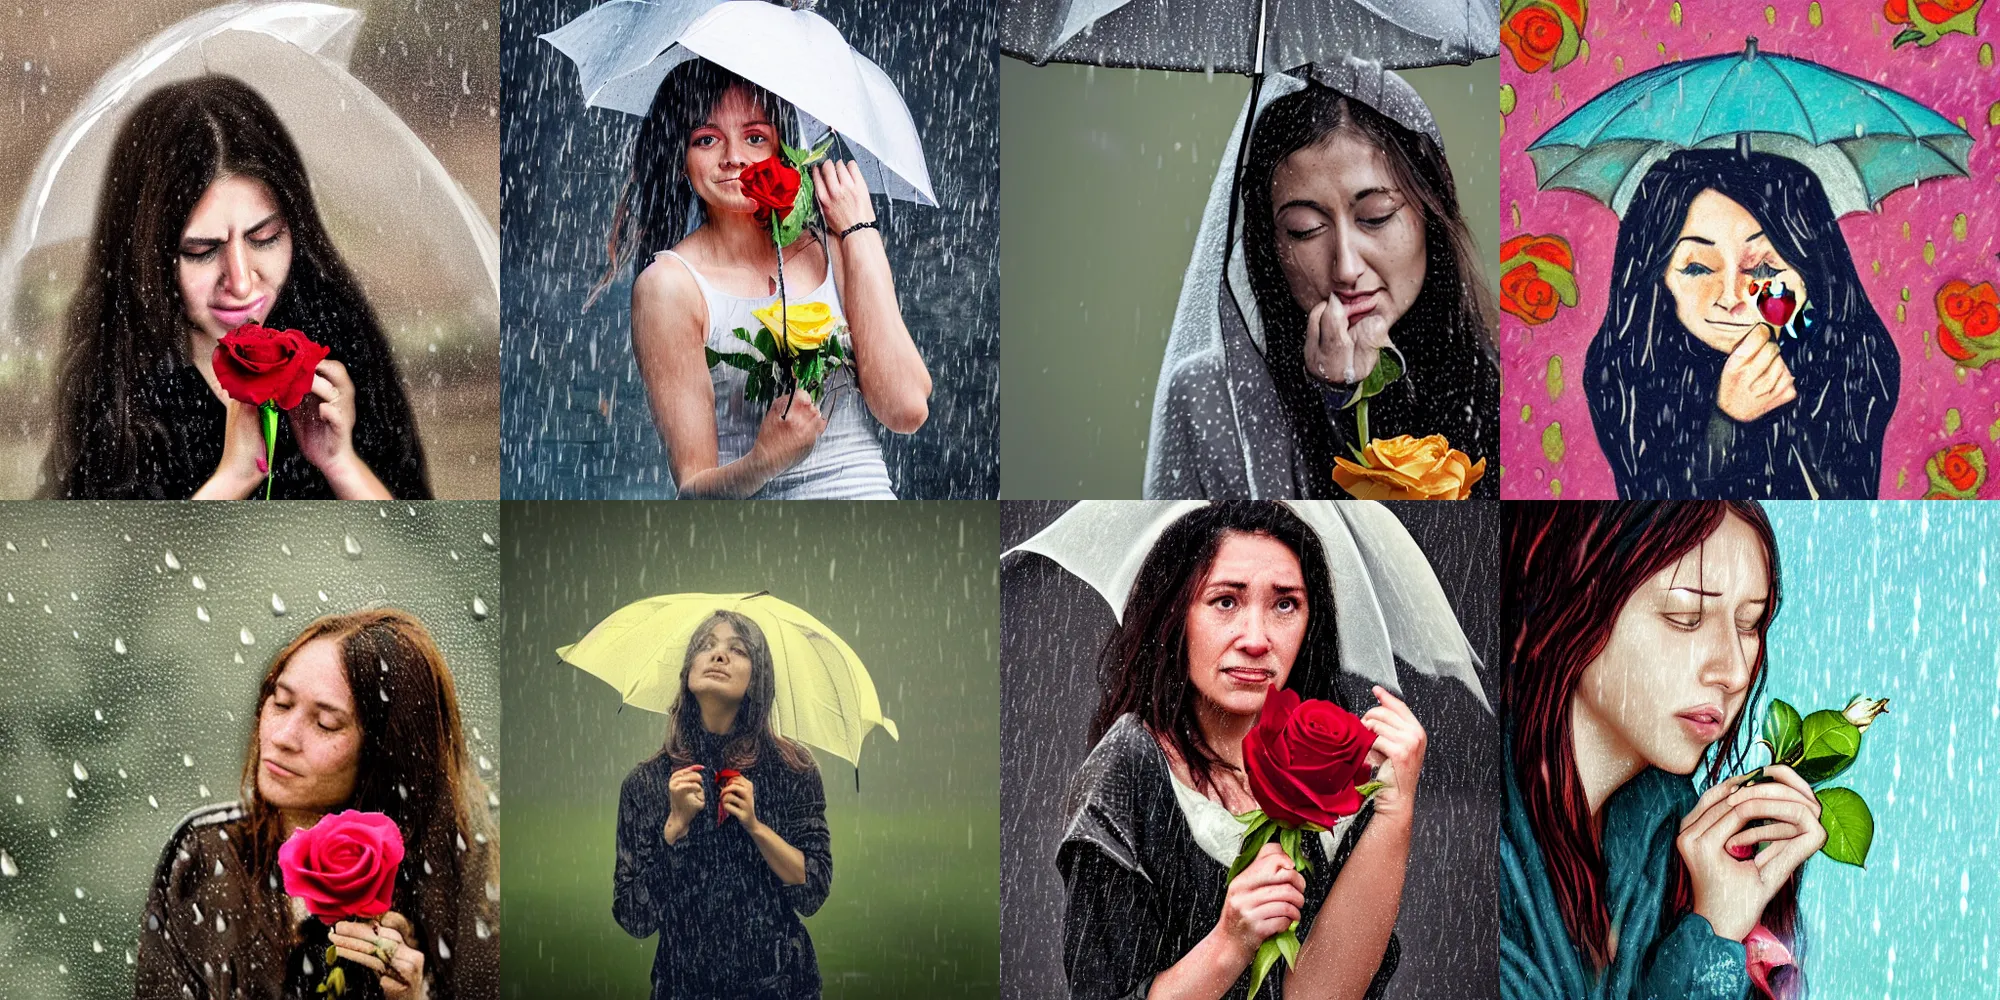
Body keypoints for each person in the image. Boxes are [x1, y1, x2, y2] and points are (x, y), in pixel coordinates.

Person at [1060, 502, 1422, 999]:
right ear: (1176, 614)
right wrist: (1230, 942)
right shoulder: (1130, 765)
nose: (1256, 640)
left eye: (1285, 604)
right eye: (1225, 601)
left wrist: (1393, 813)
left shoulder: (1336, 766)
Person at [43, 76, 432, 500]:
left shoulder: (334, 330)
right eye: (201, 250)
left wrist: (343, 465)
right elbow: (120, 565)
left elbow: (417, 552)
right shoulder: (116, 382)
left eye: (264, 238)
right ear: (149, 256)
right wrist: (232, 480)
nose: (243, 282)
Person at [1500, 501, 1821, 1000]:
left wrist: (1722, 914)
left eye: (1750, 624)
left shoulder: (1669, 830)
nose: (1734, 671)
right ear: (1571, 601)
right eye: (1686, 616)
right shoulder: (1480, 843)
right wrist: (1712, 937)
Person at [1147, 63, 1499, 499]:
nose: (1346, 268)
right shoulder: (1208, 398)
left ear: (1430, 211)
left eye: (1376, 217)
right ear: (1270, 245)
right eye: (1305, 228)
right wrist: (1334, 400)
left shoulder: (1508, 385)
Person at [597, 59, 931, 499]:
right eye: (706, 139)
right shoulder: (670, 287)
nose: (733, 156)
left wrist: (860, 229)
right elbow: (694, 492)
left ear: (782, 152)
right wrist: (764, 461)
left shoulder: (839, 247)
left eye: (755, 137)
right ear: (680, 160)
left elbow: (905, 409)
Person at [137, 609, 498, 1000]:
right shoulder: (208, 855)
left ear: (385, 751)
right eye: (281, 703)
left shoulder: (460, 886)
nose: (283, 737)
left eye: (326, 724)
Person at [1583, 150, 1899, 499]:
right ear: (1658, 278)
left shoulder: (1852, 357)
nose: (1731, 297)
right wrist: (1727, 421)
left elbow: (1844, 502)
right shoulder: (1629, 369)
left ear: (1811, 273)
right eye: (1698, 267)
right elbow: (1653, 511)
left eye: (1763, 268)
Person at [613, 610, 832, 999]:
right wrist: (674, 829)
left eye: (738, 649)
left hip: (780, 986)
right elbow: (634, 916)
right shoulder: (647, 783)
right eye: (706, 646)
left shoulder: (793, 770)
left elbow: (812, 890)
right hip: (683, 987)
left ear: (758, 677)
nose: (718, 656)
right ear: (687, 672)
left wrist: (756, 827)